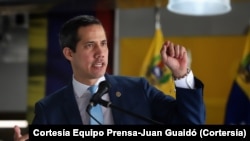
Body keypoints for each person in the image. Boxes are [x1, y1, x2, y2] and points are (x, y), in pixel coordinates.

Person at [13, 14, 205, 141]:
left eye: (103, 43)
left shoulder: (138, 90)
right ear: (69, 53)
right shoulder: (49, 111)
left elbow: (191, 127)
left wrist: (181, 75)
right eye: (90, 45)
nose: (101, 53)